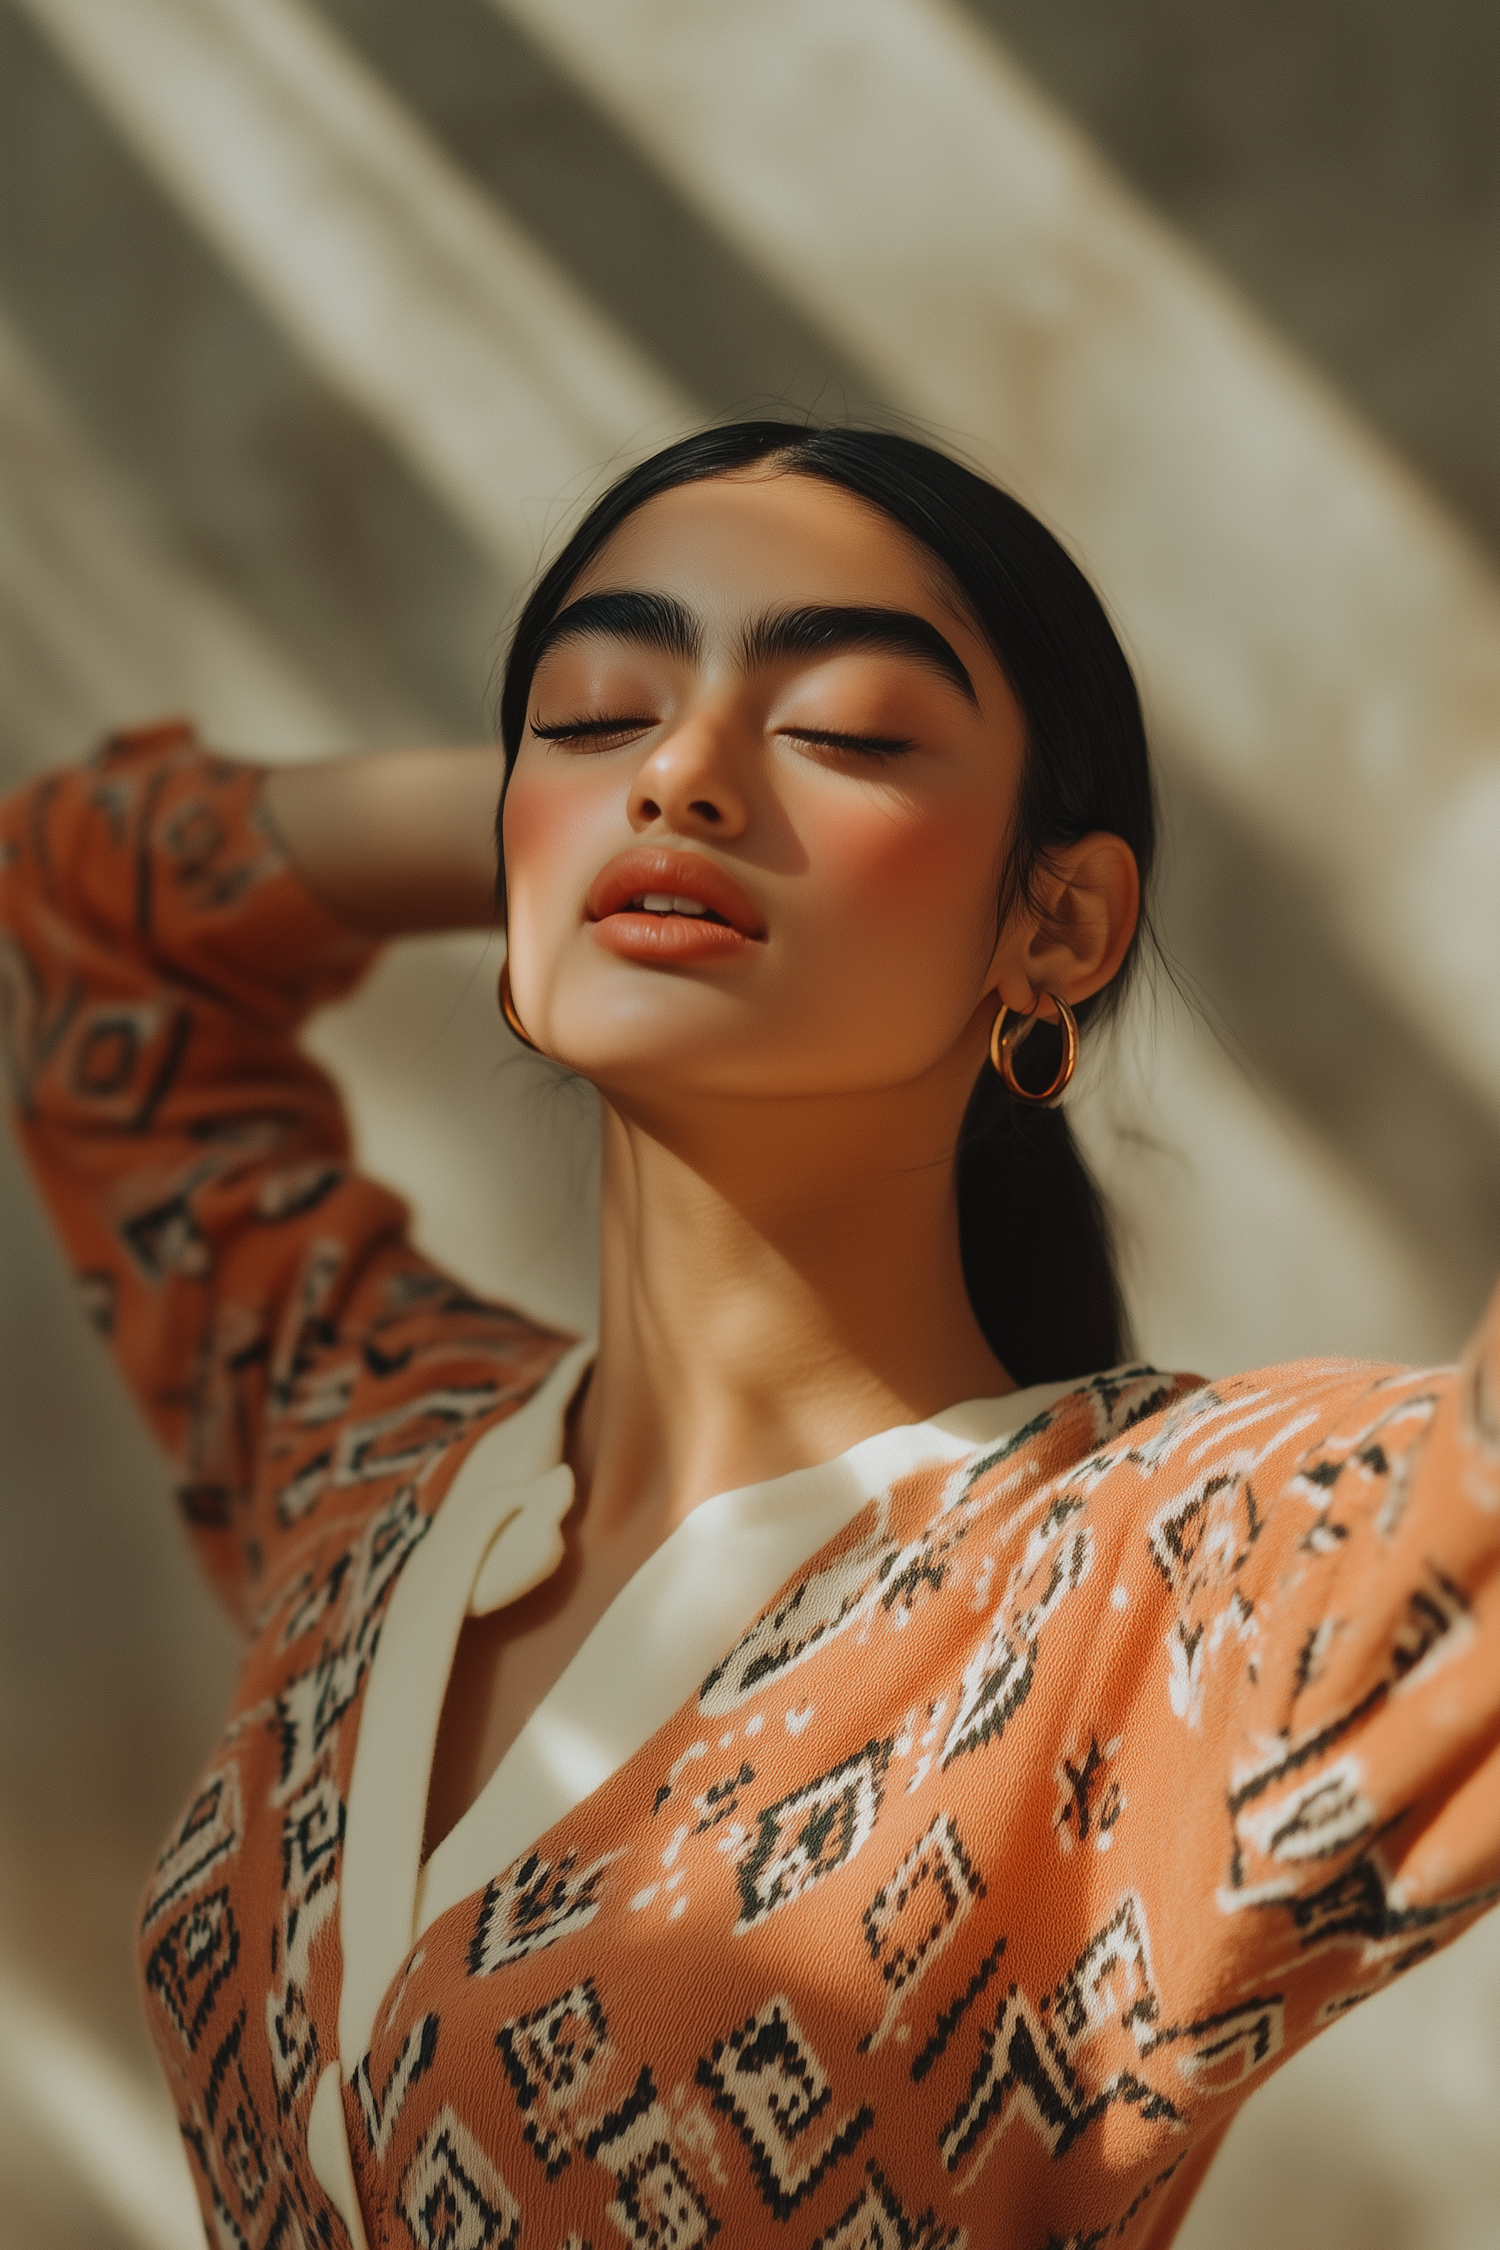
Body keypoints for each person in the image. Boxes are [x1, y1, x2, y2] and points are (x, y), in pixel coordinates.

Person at [1, 421, 1495, 2250]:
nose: (685, 774)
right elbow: (88, 917)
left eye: (848, 731)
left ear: (1064, 921)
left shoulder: (1161, 1584)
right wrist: (547, 835)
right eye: (596, 706)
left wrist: (594, 802)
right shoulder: (367, 1449)